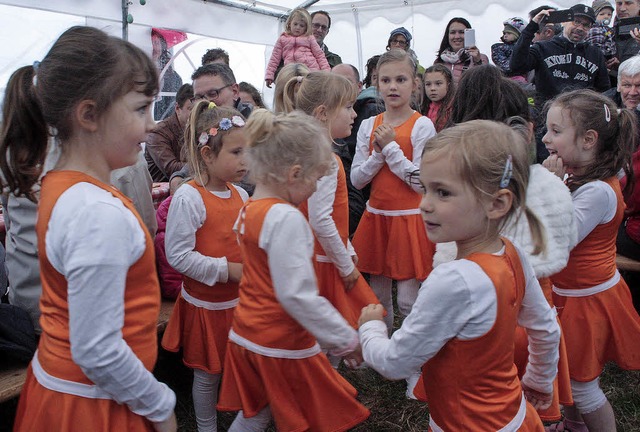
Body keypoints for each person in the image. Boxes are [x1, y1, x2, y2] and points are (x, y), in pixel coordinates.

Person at [1, 26, 176, 431]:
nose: (151, 125)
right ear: (89, 115)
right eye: (139, 109)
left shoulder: (63, 188)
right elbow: (97, 349)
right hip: (94, 406)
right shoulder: (98, 212)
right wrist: (159, 402)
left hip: (69, 391)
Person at [359, 120, 561, 431]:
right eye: (425, 188)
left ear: (497, 203)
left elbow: (394, 363)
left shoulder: (453, 281)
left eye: (443, 193)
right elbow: (546, 328)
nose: (424, 205)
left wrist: (371, 327)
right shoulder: (512, 253)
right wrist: (538, 379)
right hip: (513, 416)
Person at [437, 68, 576, 423]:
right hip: (537, 315)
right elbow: (567, 239)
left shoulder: (466, 192)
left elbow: (447, 255)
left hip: (481, 321)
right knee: (529, 408)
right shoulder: (547, 183)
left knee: (483, 407)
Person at [217, 109, 370, 431]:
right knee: (310, 413)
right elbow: (297, 295)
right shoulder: (286, 219)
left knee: (256, 414)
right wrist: (345, 338)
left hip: (247, 333)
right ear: (294, 173)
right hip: (280, 341)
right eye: (316, 178)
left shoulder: (250, 208)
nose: (316, 188)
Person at [542, 89, 640, 431]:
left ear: (588, 139)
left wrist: (551, 189)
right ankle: (574, 426)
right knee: (566, 372)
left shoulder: (597, 191)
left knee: (583, 387)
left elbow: (559, 239)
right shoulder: (578, 177)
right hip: (569, 295)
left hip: (587, 301)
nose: (545, 138)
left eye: (555, 131)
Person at [161, 101, 248, 432]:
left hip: (239, 303)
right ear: (209, 155)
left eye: (247, 151)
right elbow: (179, 255)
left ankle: (247, 417)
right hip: (207, 307)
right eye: (236, 152)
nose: (245, 160)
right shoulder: (190, 197)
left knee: (242, 363)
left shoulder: (241, 194)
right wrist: (227, 270)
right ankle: (206, 426)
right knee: (207, 373)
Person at [282, 71, 380, 343]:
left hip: (310, 256)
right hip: (324, 262)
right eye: (348, 107)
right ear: (323, 113)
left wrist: (347, 247)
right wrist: (345, 265)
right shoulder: (325, 160)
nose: (353, 114)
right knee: (331, 335)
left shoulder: (301, 152)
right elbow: (321, 219)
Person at [351, 49, 436, 345]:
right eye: (385, 80)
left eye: (401, 79)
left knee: (410, 301)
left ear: (415, 83)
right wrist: (378, 154)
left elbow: (422, 183)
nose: (392, 86)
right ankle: (382, 349)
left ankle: (412, 361)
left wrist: (389, 149)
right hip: (377, 218)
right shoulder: (368, 124)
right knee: (378, 295)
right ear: (376, 82)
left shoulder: (422, 124)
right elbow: (358, 178)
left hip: (410, 220)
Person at [510, 4, 610, 163]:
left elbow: (604, 90)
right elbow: (516, 65)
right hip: (548, 124)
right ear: (564, 22)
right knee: (547, 167)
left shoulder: (595, 54)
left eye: (586, 25)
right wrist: (532, 27)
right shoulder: (543, 47)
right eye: (576, 22)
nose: (580, 28)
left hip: (579, 126)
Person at [169, 63, 253, 193]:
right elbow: (194, 165)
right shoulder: (206, 126)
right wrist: (178, 177)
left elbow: (258, 181)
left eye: (213, 93)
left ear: (235, 91)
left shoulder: (258, 126)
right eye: (199, 97)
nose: (206, 101)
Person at [264, 8, 330, 88]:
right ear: (289, 24)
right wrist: (269, 76)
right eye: (295, 24)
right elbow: (274, 59)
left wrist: (327, 74)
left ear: (306, 27)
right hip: (291, 75)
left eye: (301, 25)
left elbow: (320, 56)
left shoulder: (309, 38)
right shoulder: (282, 39)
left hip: (311, 74)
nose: (298, 27)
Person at [145, 83, 194, 182]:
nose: (196, 113)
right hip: (163, 194)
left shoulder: (200, 129)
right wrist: (206, 164)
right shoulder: (158, 133)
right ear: (177, 108)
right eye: (191, 109)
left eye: (199, 109)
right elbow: (171, 168)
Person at [434, 17, 489, 87]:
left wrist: (477, 62)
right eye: (453, 32)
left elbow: (486, 84)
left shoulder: (481, 58)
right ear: (447, 36)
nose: (457, 36)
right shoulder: (439, 61)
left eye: (462, 32)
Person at [491, 17, 528, 83]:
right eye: (504, 33)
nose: (505, 36)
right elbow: (505, 66)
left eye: (509, 33)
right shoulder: (499, 48)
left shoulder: (526, 48)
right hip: (508, 80)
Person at [420, 64, 454, 132]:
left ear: (448, 84)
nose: (432, 88)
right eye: (428, 84)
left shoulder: (454, 109)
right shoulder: (422, 108)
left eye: (438, 84)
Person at [586, 1, 617, 65]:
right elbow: (594, 46)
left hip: (609, 57)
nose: (606, 17)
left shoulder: (607, 29)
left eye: (609, 14)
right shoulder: (595, 29)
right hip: (598, 58)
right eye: (602, 14)